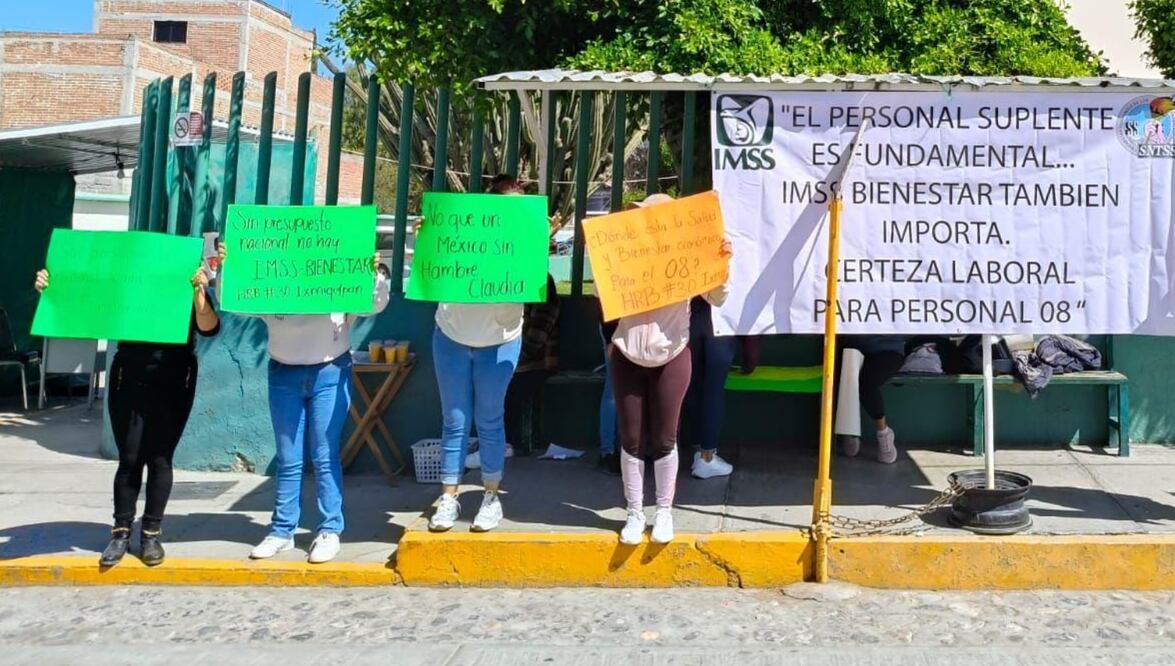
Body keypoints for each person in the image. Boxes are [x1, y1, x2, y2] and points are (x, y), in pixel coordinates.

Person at [34, 260, 220, 567]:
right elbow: (82, 305)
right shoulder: (124, 287)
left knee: (160, 458)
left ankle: (151, 534)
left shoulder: (187, 286)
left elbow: (209, 327)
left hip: (174, 379)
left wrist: (199, 293)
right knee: (130, 457)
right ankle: (121, 532)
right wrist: (51, 288)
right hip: (128, 379)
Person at [220, 246, 389, 564]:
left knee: (325, 456)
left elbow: (374, 304)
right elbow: (236, 301)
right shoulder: (275, 285)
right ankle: (282, 530)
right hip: (284, 373)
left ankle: (329, 529)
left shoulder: (339, 283)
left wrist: (373, 273)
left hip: (330, 370)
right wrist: (229, 267)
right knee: (288, 458)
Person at [606, 193, 732, 545]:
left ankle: (663, 512)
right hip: (626, 353)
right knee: (631, 440)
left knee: (665, 439)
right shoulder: (627, 256)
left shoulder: (688, 259)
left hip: (673, 354)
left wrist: (720, 263)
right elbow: (604, 296)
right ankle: (634, 512)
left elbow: (718, 297)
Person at [428, 174, 528, 533]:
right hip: (453, 336)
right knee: (454, 420)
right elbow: (433, 264)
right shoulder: (463, 232)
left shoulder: (524, 243)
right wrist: (429, 235)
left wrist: (535, 242)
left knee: (489, 419)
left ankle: (490, 497)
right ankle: (449, 498)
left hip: (499, 341)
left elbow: (528, 285)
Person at [682, 298, 751, 479]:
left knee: (693, 385)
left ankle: (699, 449)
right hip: (722, 318)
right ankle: (706, 457)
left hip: (688, 315)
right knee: (713, 390)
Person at [504, 272, 560, 456]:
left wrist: (517, 356)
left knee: (511, 390)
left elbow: (540, 328)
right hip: (515, 357)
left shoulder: (541, 280)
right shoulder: (510, 277)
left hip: (536, 360)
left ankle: (508, 443)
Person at [836, 336, 907, 464]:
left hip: (887, 348)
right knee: (839, 377)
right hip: (851, 345)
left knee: (867, 383)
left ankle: (883, 433)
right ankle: (849, 430)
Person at [596, 323, 620, 475]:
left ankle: (617, 449)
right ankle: (608, 452)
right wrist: (610, 338)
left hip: (637, 326)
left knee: (615, 392)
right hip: (615, 327)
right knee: (613, 393)